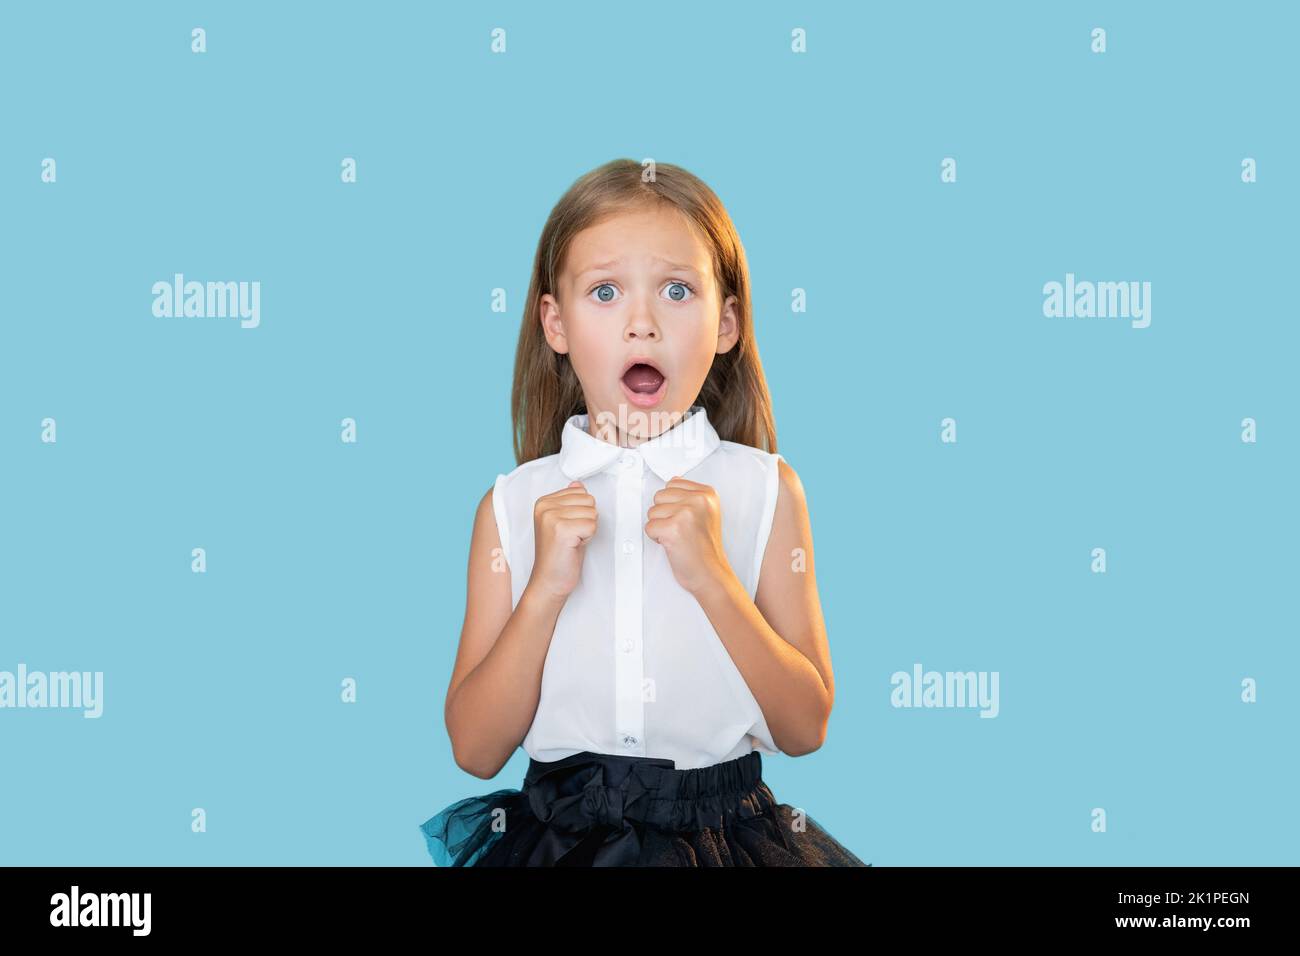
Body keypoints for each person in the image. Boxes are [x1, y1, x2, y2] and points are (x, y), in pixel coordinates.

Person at [420, 159, 867, 866]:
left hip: (726, 843)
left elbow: (805, 724)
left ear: (726, 324)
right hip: (558, 844)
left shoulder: (766, 491)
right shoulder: (511, 507)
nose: (642, 324)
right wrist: (544, 591)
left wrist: (713, 578)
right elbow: (475, 750)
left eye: (677, 290)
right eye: (605, 291)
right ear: (555, 323)